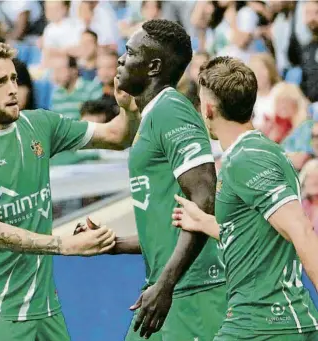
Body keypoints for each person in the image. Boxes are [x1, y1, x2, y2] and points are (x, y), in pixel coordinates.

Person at [0, 41, 140, 341]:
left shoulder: (39, 124)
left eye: (13, 79)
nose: (12, 89)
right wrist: (64, 245)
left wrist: (128, 108)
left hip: (45, 307)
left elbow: (118, 135)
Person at [82, 19, 226, 340]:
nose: (120, 59)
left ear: (153, 66)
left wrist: (166, 284)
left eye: (130, 52)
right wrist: (114, 244)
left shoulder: (172, 110)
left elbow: (204, 200)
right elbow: (167, 224)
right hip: (162, 290)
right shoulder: (152, 116)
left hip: (193, 291)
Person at [172, 56, 318, 341]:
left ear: (209, 109)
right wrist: (207, 222)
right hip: (260, 322)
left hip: (266, 325)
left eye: (201, 103)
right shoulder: (258, 152)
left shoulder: (247, 159)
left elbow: (300, 229)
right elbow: (256, 233)